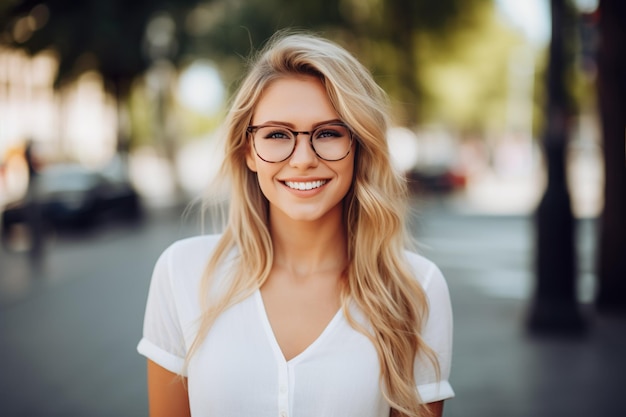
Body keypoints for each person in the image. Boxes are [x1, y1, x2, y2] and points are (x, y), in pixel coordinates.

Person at [137, 31, 454, 417]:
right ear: (247, 151)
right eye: (276, 134)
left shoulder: (415, 289)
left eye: (328, 133)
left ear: (358, 147)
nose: (303, 158)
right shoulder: (182, 272)